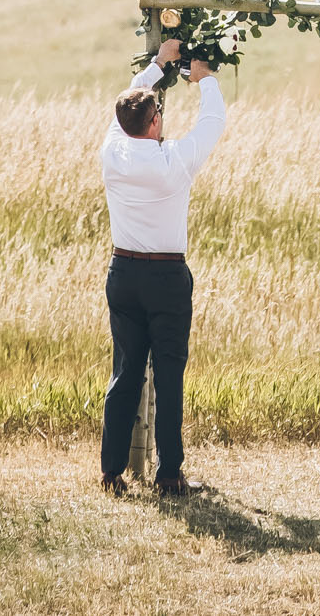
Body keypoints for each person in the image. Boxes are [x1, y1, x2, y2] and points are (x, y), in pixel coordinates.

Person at [98, 35, 226, 495]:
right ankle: (169, 474)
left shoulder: (112, 151)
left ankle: (111, 471)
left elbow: (130, 101)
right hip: (167, 277)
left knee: (125, 372)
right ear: (154, 123)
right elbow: (213, 122)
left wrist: (157, 64)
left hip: (123, 273)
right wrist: (205, 78)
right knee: (169, 375)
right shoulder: (173, 162)